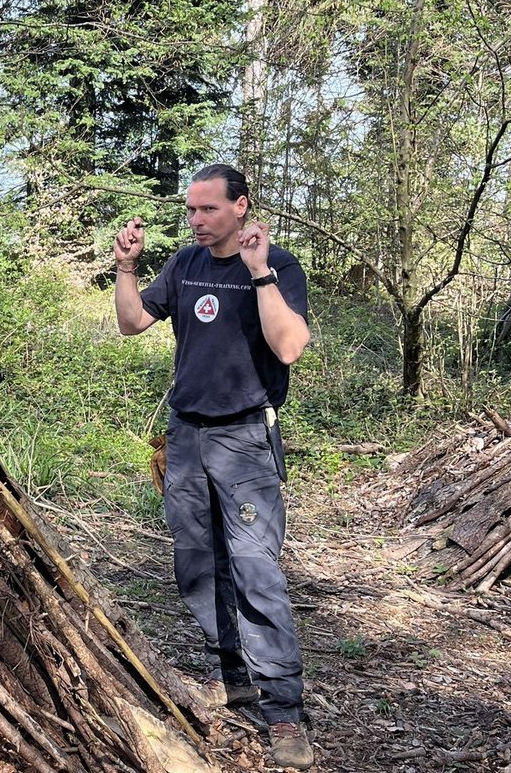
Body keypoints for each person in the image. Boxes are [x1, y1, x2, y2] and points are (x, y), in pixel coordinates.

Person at [113, 163, 314, 770]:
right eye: (191, 210)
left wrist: (259, 273)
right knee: (197, 563)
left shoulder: (278, 266)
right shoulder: (182, 264)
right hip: (187, 438)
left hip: (246, 440)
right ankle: (233, 676)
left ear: (241, 208)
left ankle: (283, 713)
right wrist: (125, 267)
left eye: (208, 210)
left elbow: (289, 347)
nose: (196, 220)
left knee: (257, 571)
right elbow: (131, 323)